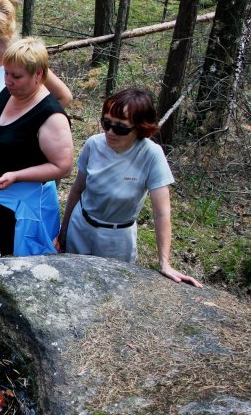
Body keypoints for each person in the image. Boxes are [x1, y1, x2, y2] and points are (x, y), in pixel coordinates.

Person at [0, 0, 73, 252]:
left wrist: (17, 173)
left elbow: (63, 166)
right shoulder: (7, 93)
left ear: (38, 76)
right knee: (7, 247)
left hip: (27, 206)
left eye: (15, 76)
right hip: (1, 200)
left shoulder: (50, 116)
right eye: (6, 74)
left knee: (28, 256)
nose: (8, 80)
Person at [57, 89, 202, 287]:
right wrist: (63, 232)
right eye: (106, 123)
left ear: (140, 128)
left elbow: (162, 213)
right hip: (80, 227)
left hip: (117, 239)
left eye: (121, 128)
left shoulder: (151, 155)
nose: (110, 132)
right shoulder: (93, 145)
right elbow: (77, 189)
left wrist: (165, 263)